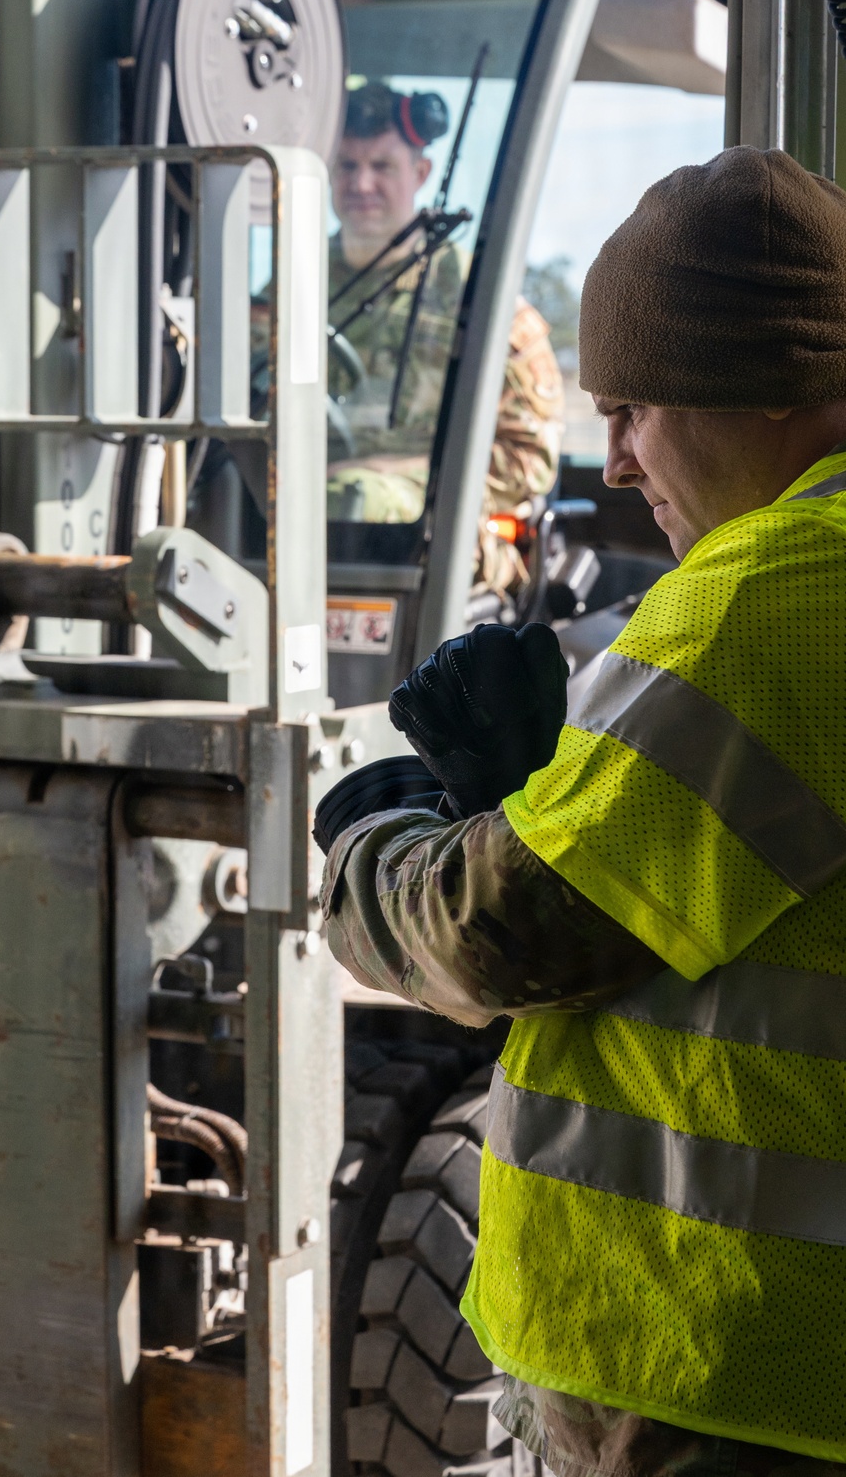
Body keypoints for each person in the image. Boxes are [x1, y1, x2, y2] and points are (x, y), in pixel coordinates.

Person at [318, 146, 846, 1474]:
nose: (610, 464)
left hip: (735, 1380)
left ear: (750, 388)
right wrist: (533, 794)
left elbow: (495, 934)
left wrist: (378, 837)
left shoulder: (775, 594)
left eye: (632, 411)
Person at [328, 81, 564, 594]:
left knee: (354, 496)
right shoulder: (289, 284)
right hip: (297, 518)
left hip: (434, 537)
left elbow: (530, 459)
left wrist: (408, 474)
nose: (362, 183)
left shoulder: (480, 297)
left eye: (382, 166)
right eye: (347, 166)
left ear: (420, 174)